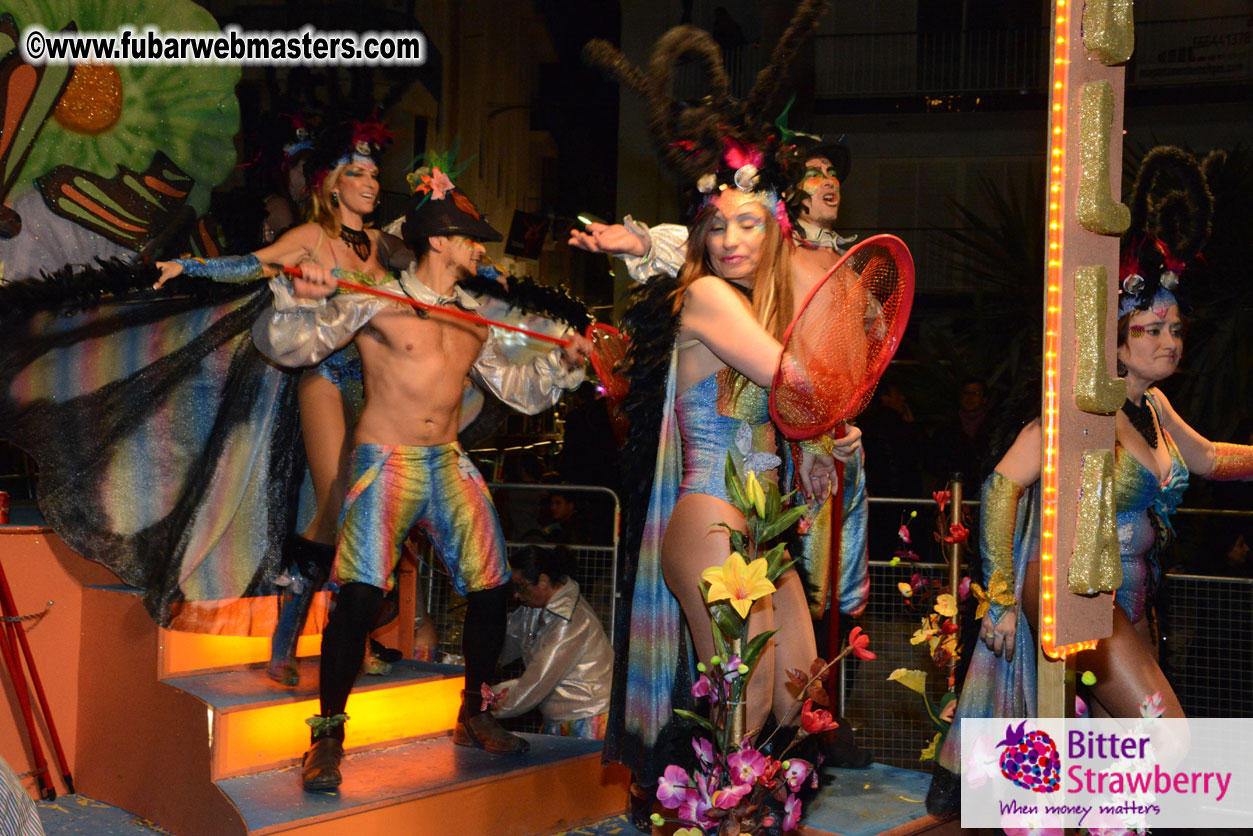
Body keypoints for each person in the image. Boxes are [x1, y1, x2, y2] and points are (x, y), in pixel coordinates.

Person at [247, 154, 591, 790]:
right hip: (387, 463)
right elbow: (286, 343)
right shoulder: (376, 300)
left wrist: (566, 364)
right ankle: (327, 738)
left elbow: (518, 389)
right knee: (358, 597)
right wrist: (301, 296)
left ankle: (473, 713)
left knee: (490, 590)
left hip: (449, 462)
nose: (477, 250)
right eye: (468, 239)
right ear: (439, 241)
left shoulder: (471, 318)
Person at [933, 145, 1253, 810]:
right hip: (1073, 593)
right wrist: (994, 594)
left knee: (1128, 783)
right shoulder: (1079, 413)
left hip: (1131, 603)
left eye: (1173, 329)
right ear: (1112, 341)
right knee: (1168, 742)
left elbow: (1212, 459)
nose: (1168, 340)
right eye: (1150, 329)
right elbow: (999, 485)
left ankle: (1034, 793)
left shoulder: (1156, 408)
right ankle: (1031, 787)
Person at [157, 119, 413, 686]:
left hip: (375, 387)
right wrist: (191, 266)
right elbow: (256, 262)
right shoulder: (311, 236)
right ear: (331, 183)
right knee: (345, 506)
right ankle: (316, 638)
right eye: (357, 173)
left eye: (375, 173)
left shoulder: (376, 245)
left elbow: (425, 274)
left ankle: (308, 639)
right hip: (324, 378)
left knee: (335, 520)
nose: (370, 182)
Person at [490, 545, 613, 738]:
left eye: (520, 586)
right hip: (566, 717)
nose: (516, 594)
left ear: (543, 581)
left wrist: (485, 702)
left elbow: (536, 681)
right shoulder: (535, 608)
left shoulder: (570, 620)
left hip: (587, 720)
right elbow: (506, 640)